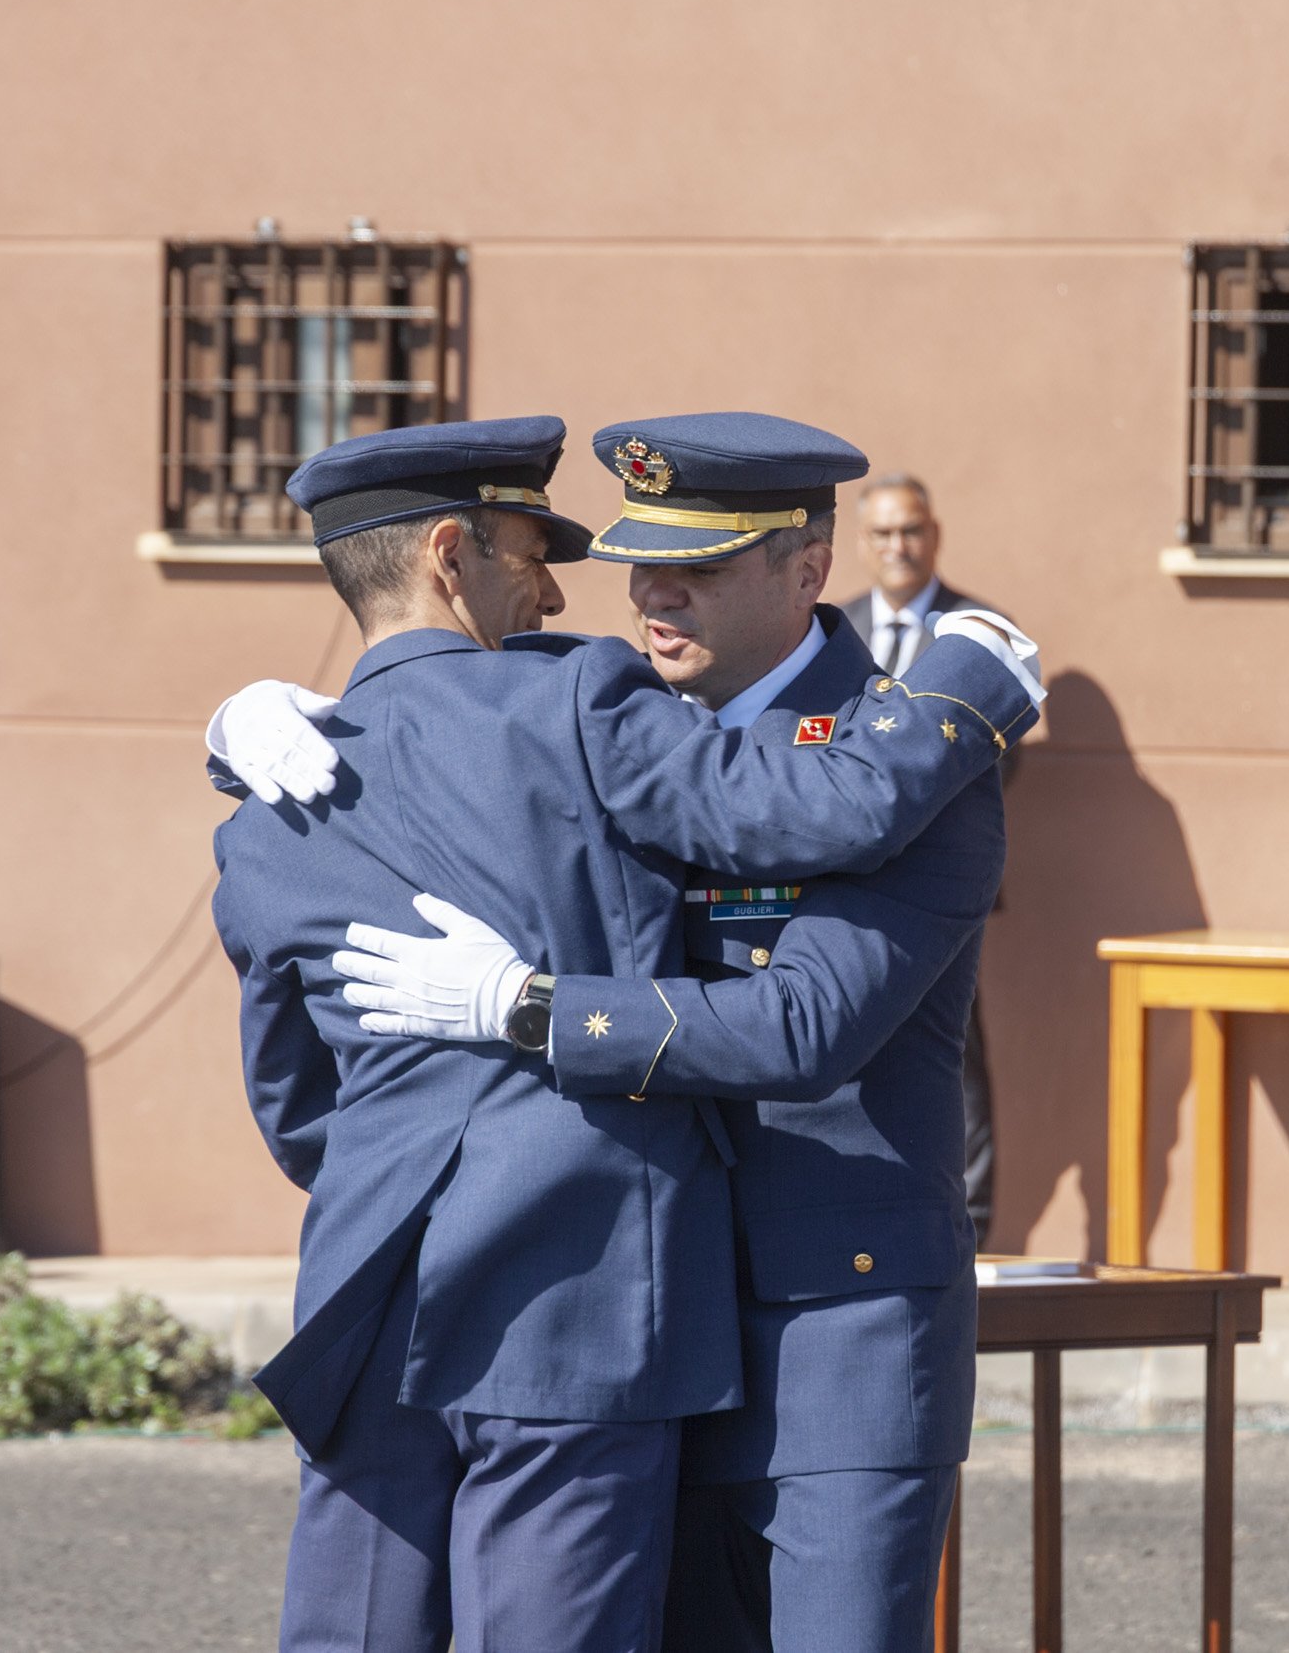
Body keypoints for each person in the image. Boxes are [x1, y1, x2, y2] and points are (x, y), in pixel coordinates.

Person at [208, 415, 1039, 1652]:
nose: (650, 594)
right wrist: (259, 720)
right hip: (615, 1322)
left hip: (826, 1340)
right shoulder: (594, 717)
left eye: (694, 568)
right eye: (639, 563)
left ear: (806, 570)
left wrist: (528, 1007)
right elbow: (419, 750)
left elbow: (804, 1021)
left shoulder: (899, 759)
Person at [843, 471, 1025, 1248]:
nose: (898, 547)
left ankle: (975, 1224)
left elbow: (1001, 753)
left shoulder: (976, 630)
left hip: (943, 881)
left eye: (911, 531)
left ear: (935, 534)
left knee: (957, 1052)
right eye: (882, 534)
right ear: (862, 542)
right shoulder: (833, 628)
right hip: (847, 882)